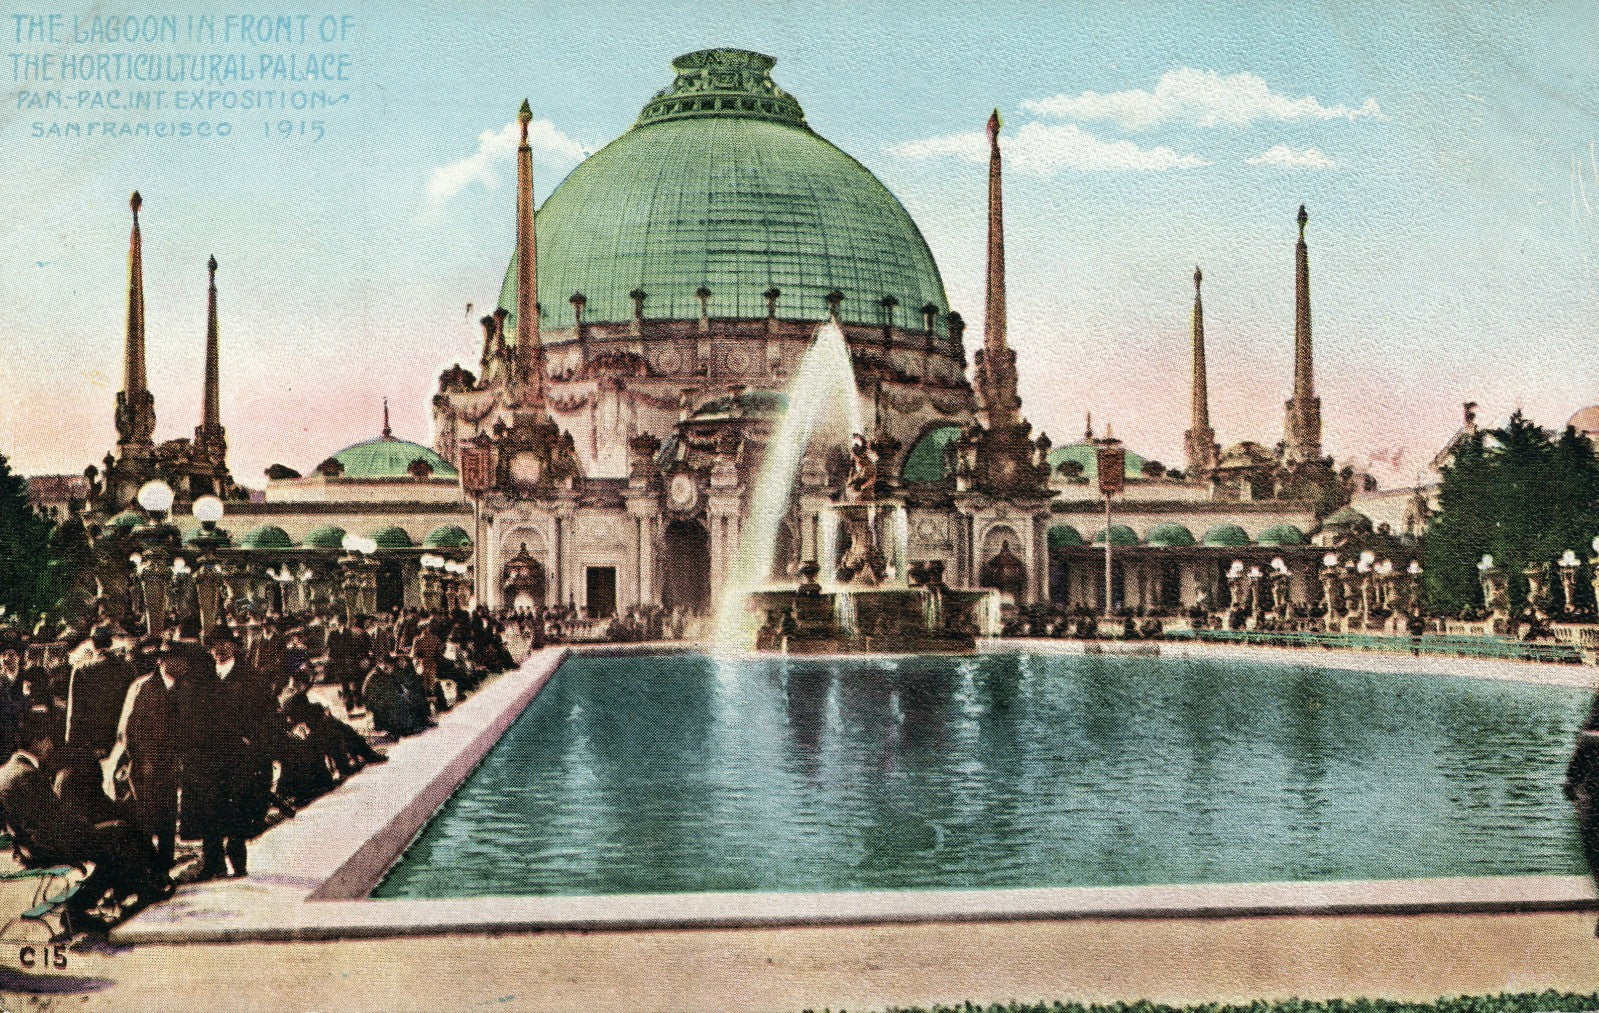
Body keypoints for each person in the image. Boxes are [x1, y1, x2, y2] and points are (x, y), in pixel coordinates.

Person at [0, 715, 172, 933]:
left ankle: (134, 888)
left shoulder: (6, 772)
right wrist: (86, 832)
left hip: (29, 848)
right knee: (118, 834)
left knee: (111, 836)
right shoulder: (26, 775)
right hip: (48, 847)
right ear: (37, 741)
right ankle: (79, 910)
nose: (50, 746)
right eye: (47, 741)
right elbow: (53, 823)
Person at [184, 630, 278, 880]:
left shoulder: (252, 678)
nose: (219, 650)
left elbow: (267, 716)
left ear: (234, 647)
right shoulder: (202, 679)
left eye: (224, 644)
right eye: (214, 646)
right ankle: (213, 864)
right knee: (210, 809)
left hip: (241, 757)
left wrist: (253, 741)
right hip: (210, 756)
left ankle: (238, 862)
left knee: (238, 809)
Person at [108, 644, 188, 871]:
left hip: (168, 763)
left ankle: (163, 867)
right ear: (161, 661)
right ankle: (143, 869)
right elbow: (127, 731)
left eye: (183, 660)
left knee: (167, 817)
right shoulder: (144, 687)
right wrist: (143, 761)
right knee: (143, 818)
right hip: (143, 765)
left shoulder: (181, 688)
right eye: (175, 659)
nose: (182, 665)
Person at [63, 626, 138, 763]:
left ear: (92, 643)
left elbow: (74, 714)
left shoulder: (81, 670)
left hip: (92, 743)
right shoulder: (128, 668)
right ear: (110, 643)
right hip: (119, 741)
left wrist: (72, 746)